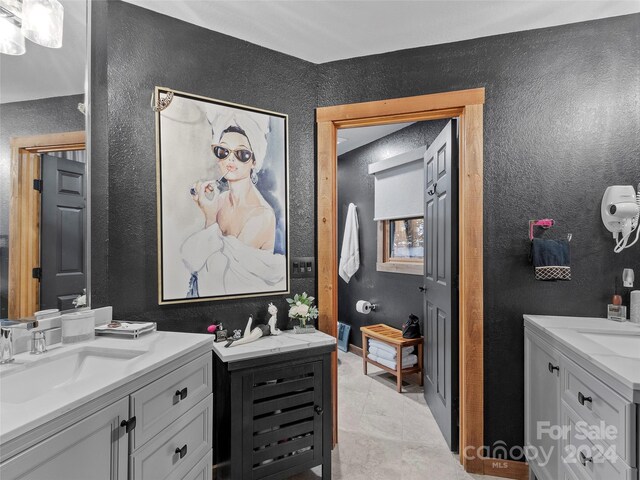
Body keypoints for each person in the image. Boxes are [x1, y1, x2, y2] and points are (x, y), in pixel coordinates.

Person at [180, 109, 286, 298]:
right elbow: (195, 262)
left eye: (242, 154)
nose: (230, 159)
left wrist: (210, 217)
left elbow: (219, 278)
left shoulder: (261, 215)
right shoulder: (218, 200)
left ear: (254, 161)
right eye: (223, 151)